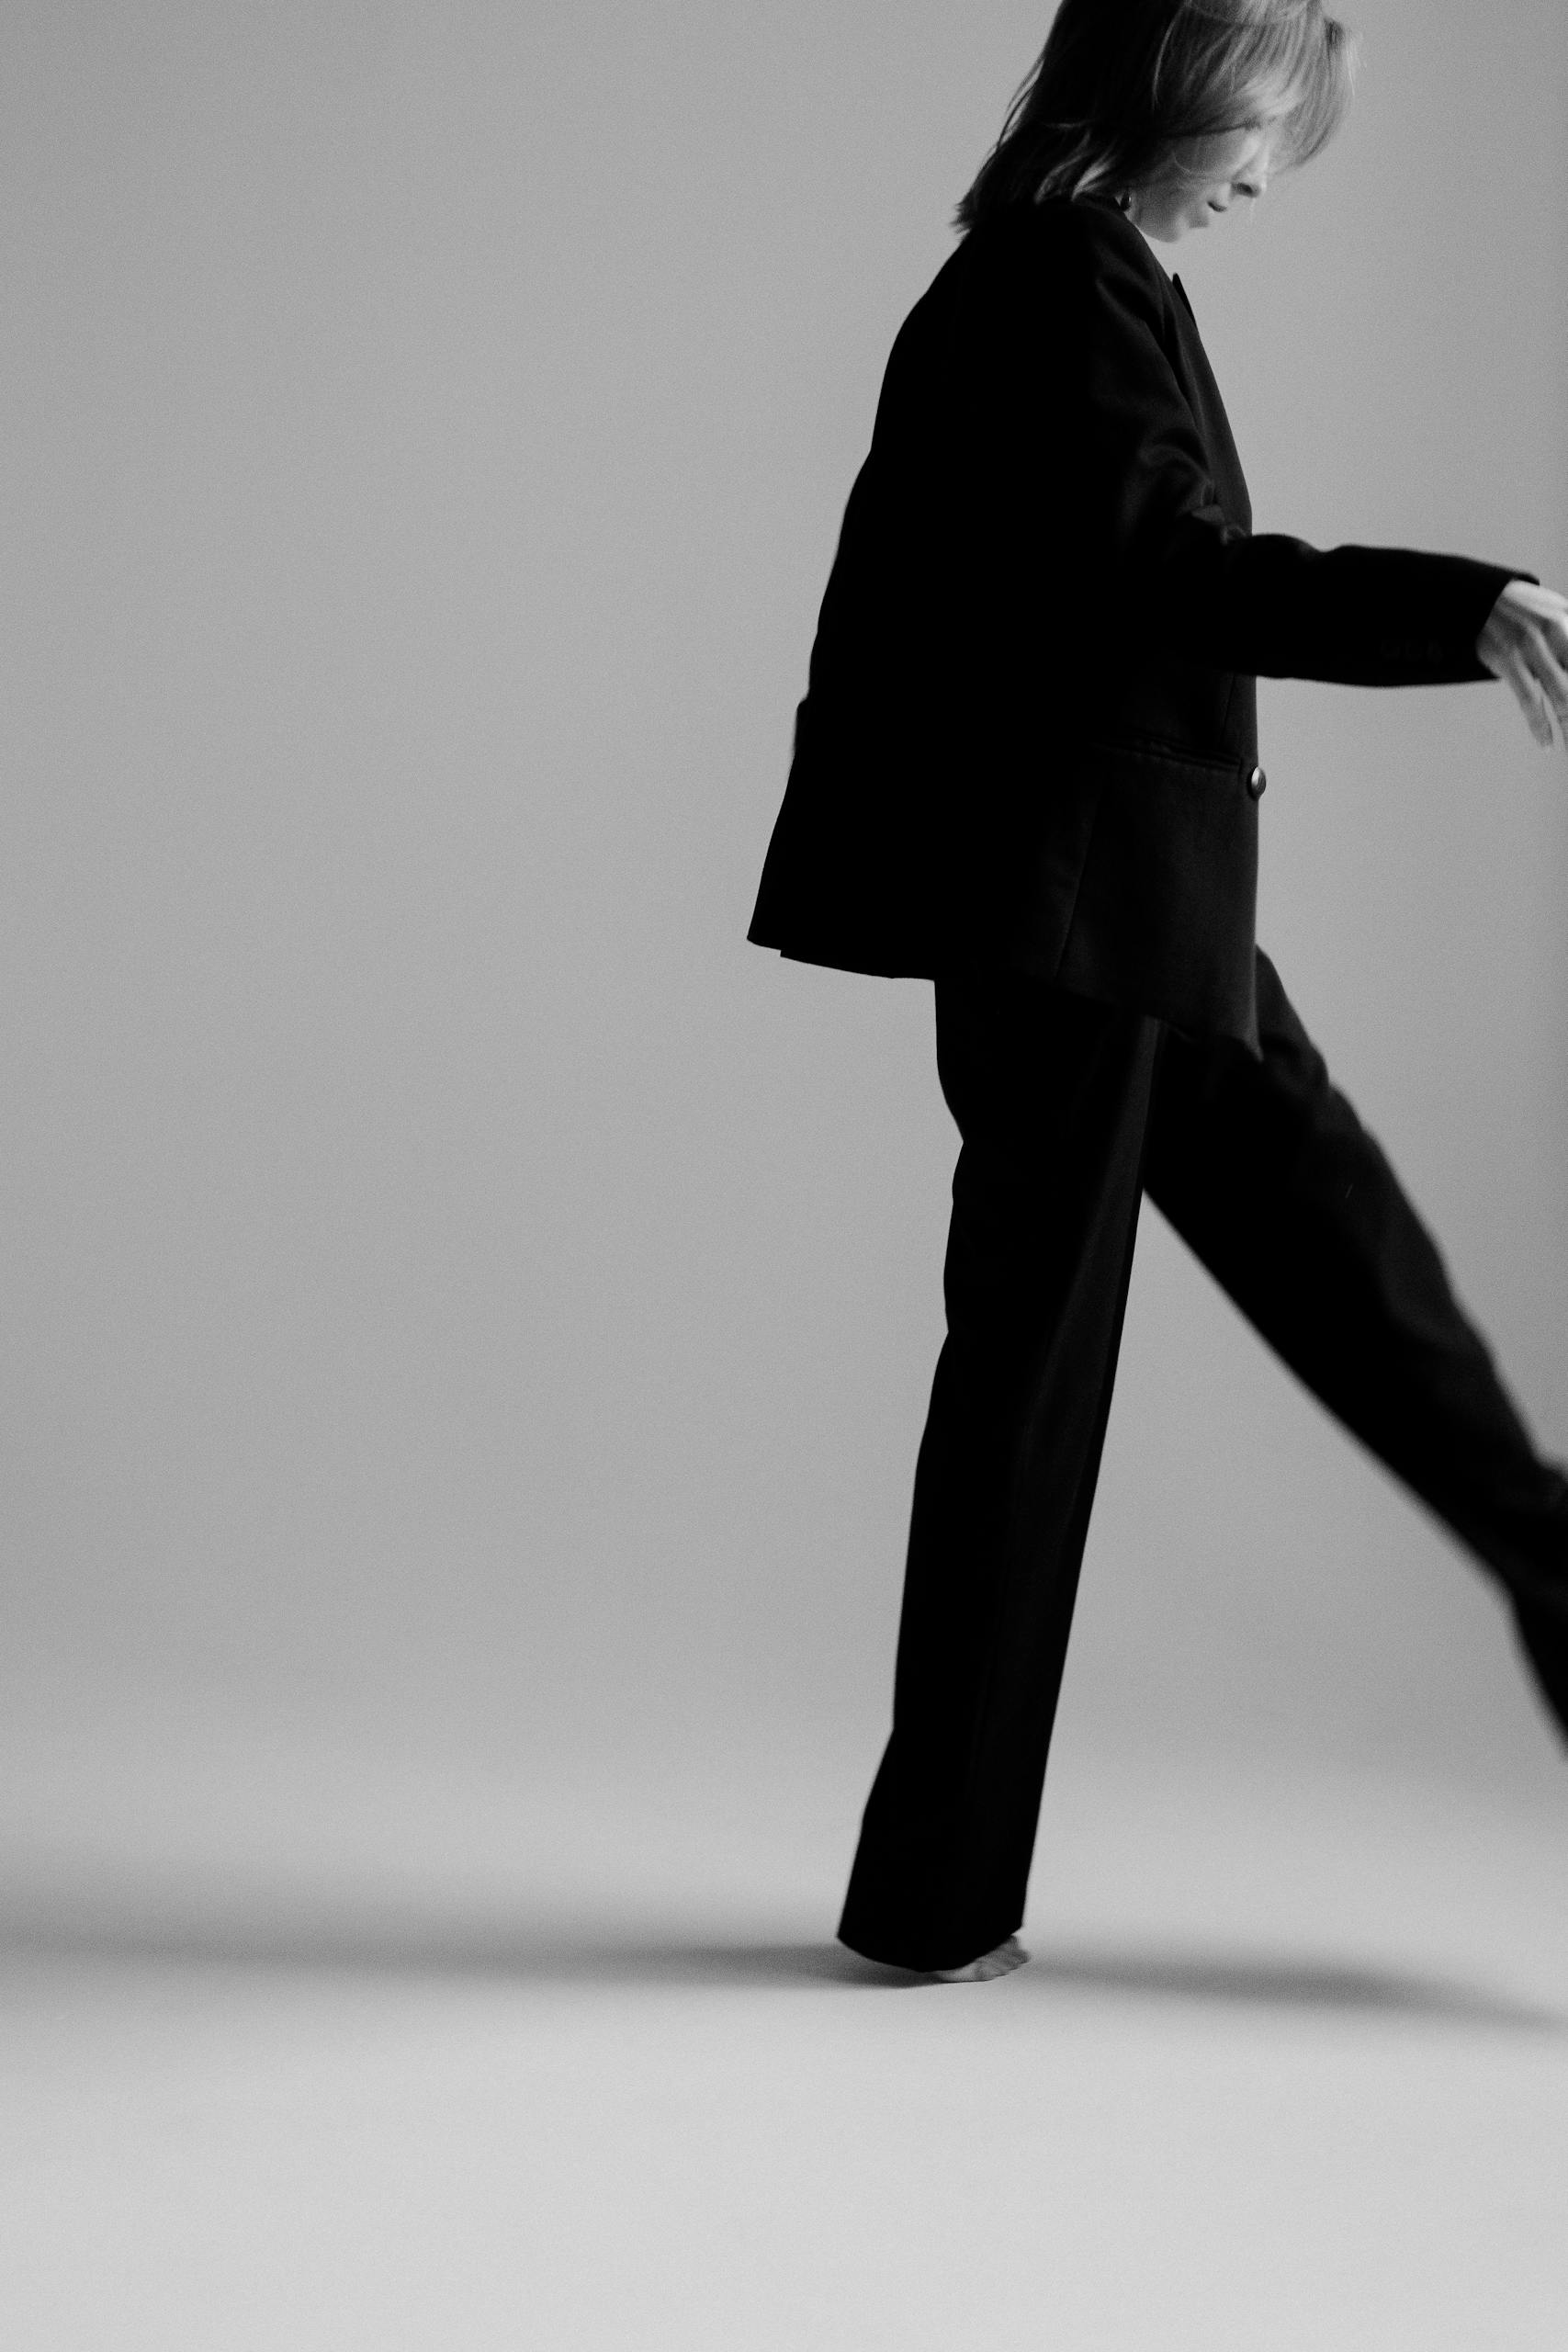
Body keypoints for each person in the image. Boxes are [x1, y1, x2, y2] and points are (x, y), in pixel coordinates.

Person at [746, 0, 1568, 1982]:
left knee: (1368, 1295)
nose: (1269, 174)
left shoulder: (1067, 278)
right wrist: (1456, 607)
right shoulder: (1062, 281)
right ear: (1174, 85)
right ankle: (931, 1899)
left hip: (1135, 922)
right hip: (1078, 934)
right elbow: (1177, 575)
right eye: (1261, 123)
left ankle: (937, 1892)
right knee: (1038, 1392)